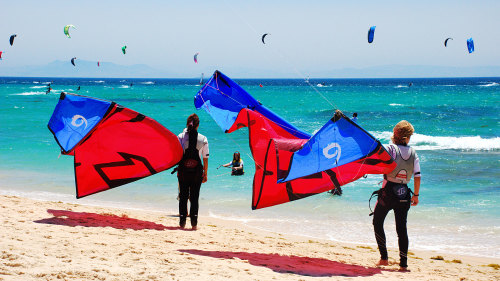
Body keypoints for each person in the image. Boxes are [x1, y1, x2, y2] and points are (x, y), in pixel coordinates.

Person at [372, 120, 420, 271]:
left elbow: (376, 158)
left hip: (388, 192)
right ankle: (403, 264)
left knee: (377, 222)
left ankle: (384, 258)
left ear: (395, 134)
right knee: (401, 229)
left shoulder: (390, 148)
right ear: (407, 137)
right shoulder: (413, 153)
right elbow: (418, 176)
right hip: (404, 193)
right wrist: (416, 195)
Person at [177, 114, 208, 230]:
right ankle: (194, 223)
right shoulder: (203, 139)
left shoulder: (180, 137)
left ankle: (182, 222)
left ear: (187, 124)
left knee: (183, 196)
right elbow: (205, 157)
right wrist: (205, 173)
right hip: (197, 172)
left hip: (183, 171)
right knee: (195, 197)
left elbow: (177, 154)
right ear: (198, 125)